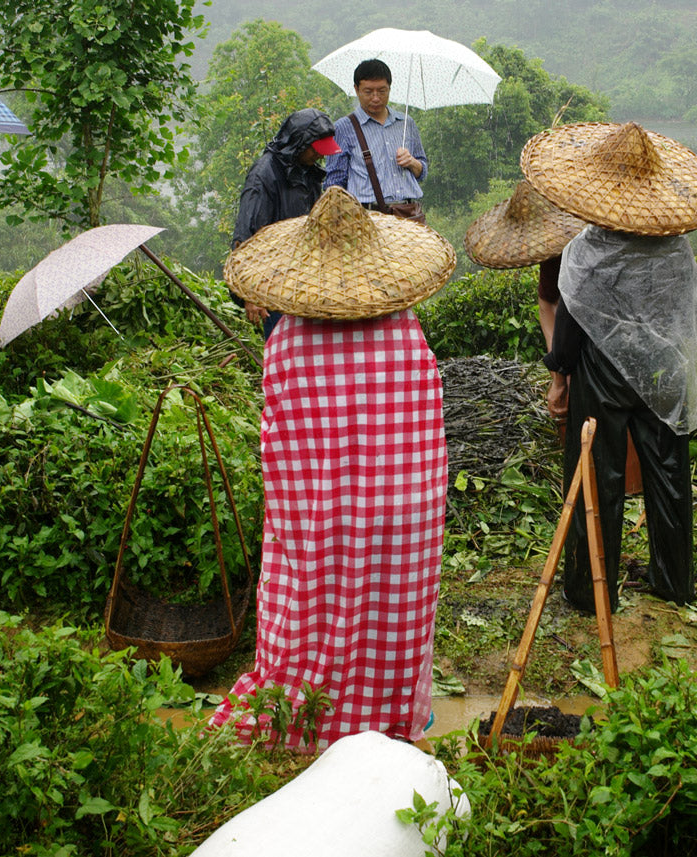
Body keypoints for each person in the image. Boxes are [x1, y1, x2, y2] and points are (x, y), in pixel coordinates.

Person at [209, 186, 455, 749]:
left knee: (311, 591)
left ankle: (310, 708)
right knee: (393, 600)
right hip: (400, 511)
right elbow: (424, 431)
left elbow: (281, 435)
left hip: (316, 514)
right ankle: (388, 711)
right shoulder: (405, 333)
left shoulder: (288, 341)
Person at [521, 121, 697, 613]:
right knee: (668, 472)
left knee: (597, 477)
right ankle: (673, 581)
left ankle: (590, 592)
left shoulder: (587, 251)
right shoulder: (674, 246)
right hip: (664, 368)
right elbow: (686, 315)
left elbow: (568, 325)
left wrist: (559, 378)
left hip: (602, 375)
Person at [231, 108, 342, 340]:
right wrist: (249, 293)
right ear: (298, 143)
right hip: (272, 282)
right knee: (282, 348)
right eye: (315, 150)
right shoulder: (264, 175)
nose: (319, 156)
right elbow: (246, 233)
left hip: (302, 281)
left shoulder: (307, 172)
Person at [325, 58, 428, 223]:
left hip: (409, 216)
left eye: (382, 91)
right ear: (356, 90)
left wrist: (412, 162)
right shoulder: (343, 128)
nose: (375, 98)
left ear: (389, 88)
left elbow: (422, 172)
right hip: (365, 217)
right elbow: (334, 183)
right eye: (368, 92)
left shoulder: (406, 123)